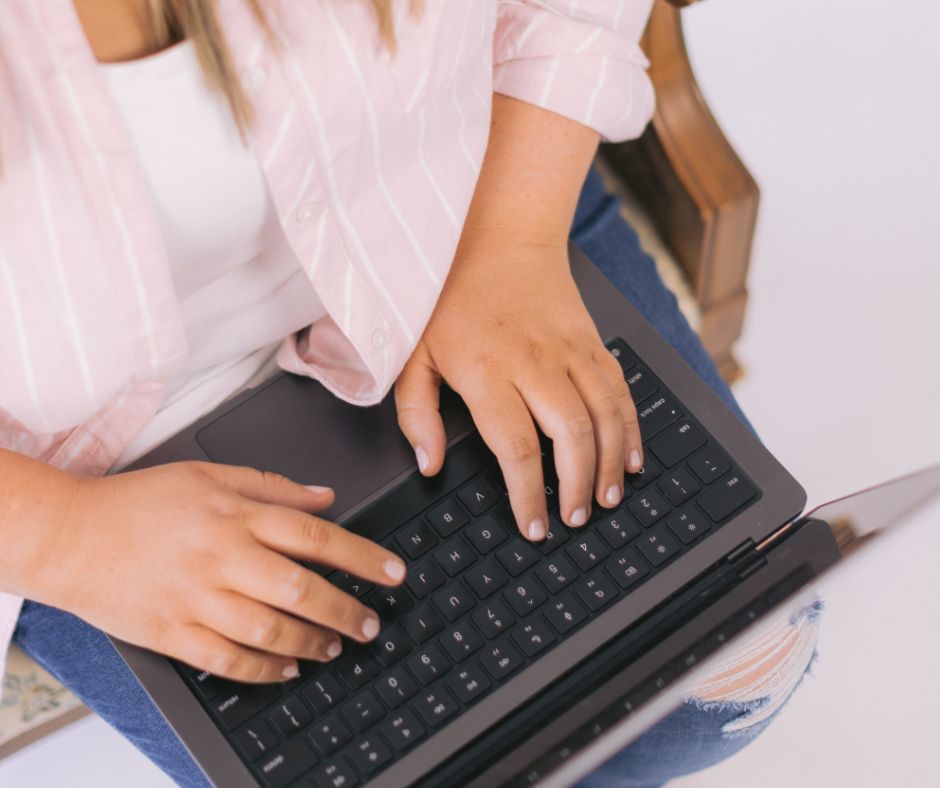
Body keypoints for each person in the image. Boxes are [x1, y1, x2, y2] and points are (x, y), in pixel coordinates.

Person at [0, 2, 818, 785]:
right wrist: (67, 539)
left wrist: (511, 239)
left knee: (728, 687)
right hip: (84, 467)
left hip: (462, 206)